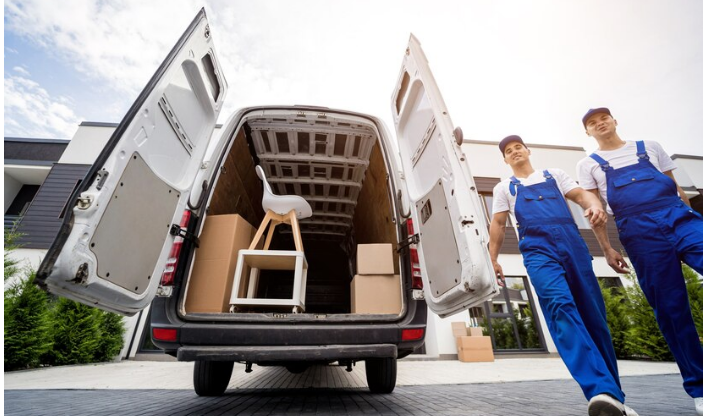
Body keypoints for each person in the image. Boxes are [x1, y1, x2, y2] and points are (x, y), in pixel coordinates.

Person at [489, 135, 638, 416]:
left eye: (518, 146)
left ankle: (614, 400)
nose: (515, 152)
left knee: (594, 319)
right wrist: (493, 259)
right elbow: (498, 224)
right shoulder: (504, 188)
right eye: (509, 151)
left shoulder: (554, 175)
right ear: (505, 159)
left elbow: (582, 196)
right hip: (538, 252)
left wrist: (592, 205)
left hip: (573, 247)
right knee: (559, 307)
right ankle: (600, 390)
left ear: (527, 150)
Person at [577, 107, 703, 416]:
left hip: (679, 217)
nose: (600, 123)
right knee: (672, 310)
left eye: (603, 117)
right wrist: (606, 248)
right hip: (640, 233)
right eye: (592, 123)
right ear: (588, 133)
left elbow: (676, 190)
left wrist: (693, 218)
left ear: (615, 120)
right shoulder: (589, 165)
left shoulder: (650, 148)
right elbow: (595, 208)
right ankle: (701, 389)